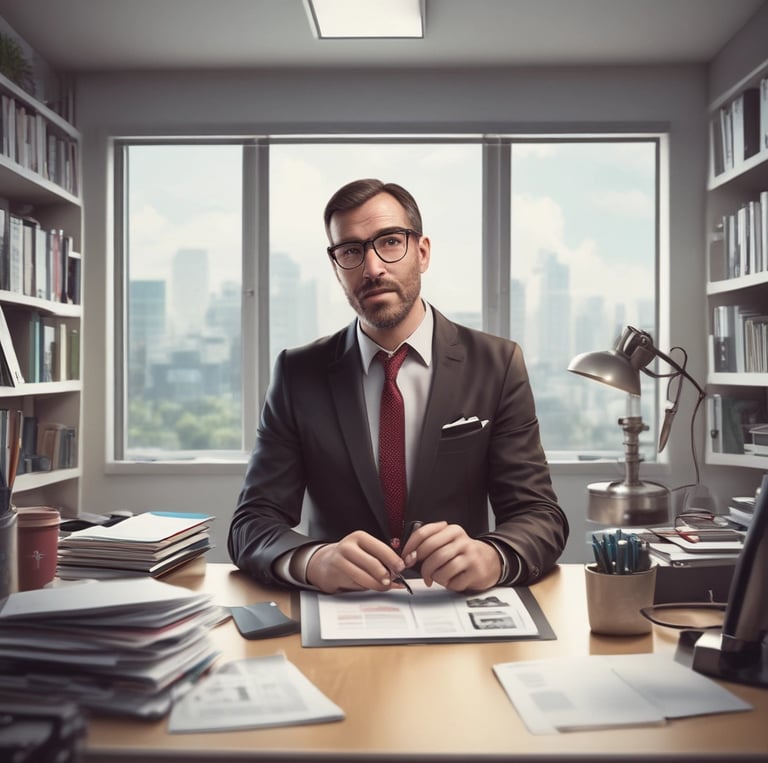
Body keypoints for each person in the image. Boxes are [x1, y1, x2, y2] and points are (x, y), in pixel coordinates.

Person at [228, 178, 568, 594]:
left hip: (457, 611)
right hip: (340, 613)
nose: (372, 269)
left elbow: (540, 514)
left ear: (422, 252)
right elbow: (251, 523)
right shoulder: (298, 373)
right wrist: (312, 559)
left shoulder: (496, 364)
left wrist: (493, 556)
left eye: (390, 242)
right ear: (336, 266)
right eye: (351, 251)